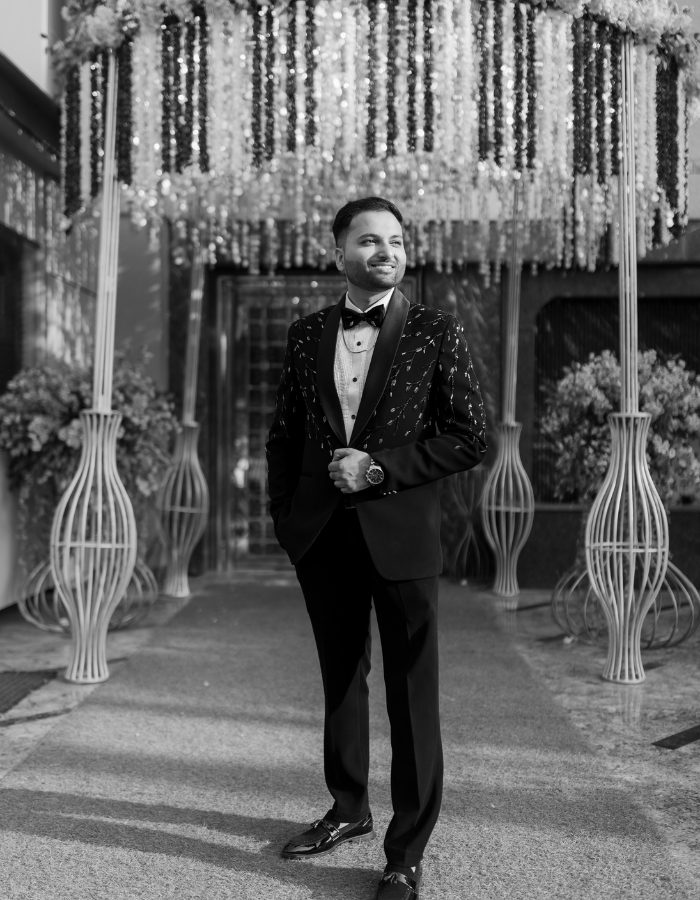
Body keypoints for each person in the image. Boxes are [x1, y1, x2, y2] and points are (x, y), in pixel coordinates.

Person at [266, 196, 487, 899]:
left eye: (395, 239)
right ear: (339, 253)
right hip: (322, 535)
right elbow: (284, 434)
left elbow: (469, 437)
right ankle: (348, 808)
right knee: (341, 678)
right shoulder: (306, 333)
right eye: (369, 240)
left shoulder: (435, 330)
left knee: (412, 691)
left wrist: (379, 469)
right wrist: (287, 521)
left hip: (403, 535)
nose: (386, 250)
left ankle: (405, 853)